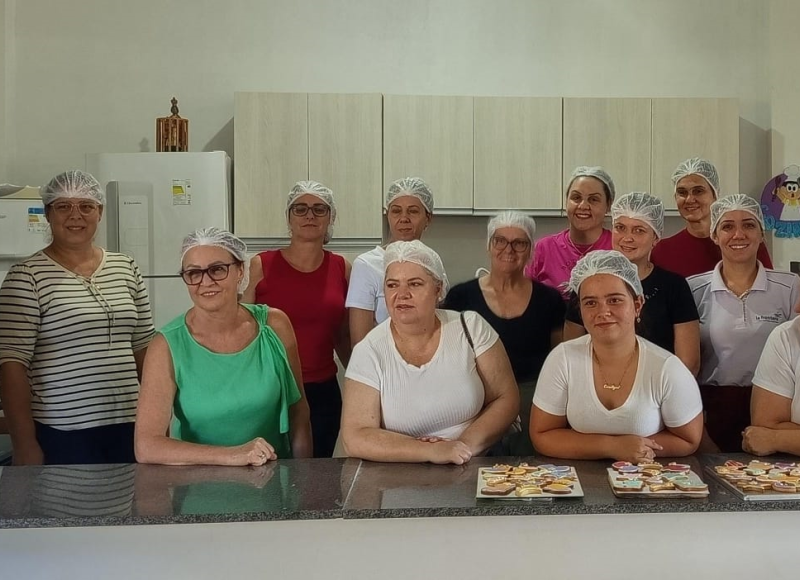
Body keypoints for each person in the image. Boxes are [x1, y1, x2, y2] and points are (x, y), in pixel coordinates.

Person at [0, 170, 155, 465]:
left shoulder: (125, 267)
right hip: (64, 433)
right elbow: (12, 365)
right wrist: (24, 444)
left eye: (86, 206)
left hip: (133, 426)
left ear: (100, 212)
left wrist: (159, 418)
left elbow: (144, 348)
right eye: (63, 206)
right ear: (48, 214)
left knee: (133, 496)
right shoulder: (26, 276)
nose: (76, 215)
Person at [135, 228, 312, 465]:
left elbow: (299, 413)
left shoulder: (274, 325)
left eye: (217, 269)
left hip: (273, 479)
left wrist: (303, 477)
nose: (206, 281)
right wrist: (236, 455)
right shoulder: (166, 345)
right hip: (197, 484)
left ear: (240, 271)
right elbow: (147, 446)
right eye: (194, 273)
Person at [341, 240, 519, 464]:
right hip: (399, 475)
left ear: (438, 289)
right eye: (392, 285)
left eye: (414, 284)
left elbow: (506, 398)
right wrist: (431, 451)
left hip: (477, 464)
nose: (402, 294)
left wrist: (461, 448)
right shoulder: (369, 351)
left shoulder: (470, 328)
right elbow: (356, 436)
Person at [531, 251, 703, 463]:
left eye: (614, 300)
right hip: (575, 479)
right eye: (590, 303)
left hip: (647, 478)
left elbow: (688, 439)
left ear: (637, 305)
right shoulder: (563, 359)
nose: (603, 312)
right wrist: (612, 447)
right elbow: (542, 434)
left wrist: (637, 450)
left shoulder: (666, 368)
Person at [242, 181, 350, 458]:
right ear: (289, 218)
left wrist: (361, 381)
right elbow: (242, 329)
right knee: (267, 472)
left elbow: (341, 334)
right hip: (271, 389)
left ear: (331, 217)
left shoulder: (341, 267)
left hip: (323, 393)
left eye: (319, 209)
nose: (309, 216)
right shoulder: (261, 265)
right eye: (300, 209)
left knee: (319, 476)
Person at [442, 211, 564, 452]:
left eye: (519, 243)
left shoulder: (549, 299)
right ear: (489, 246)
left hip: (534, 403)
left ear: (530, 251)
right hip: (477, 401)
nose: (509, 249)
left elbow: (558, 358)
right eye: (500, 241)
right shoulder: (460, 297)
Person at [689, 194, 799, 452]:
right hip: (713, 408)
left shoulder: (789, 286)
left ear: (761, 234)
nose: (738, 234)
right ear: (714, 235)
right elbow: (686, 362)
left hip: (778, 408)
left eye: (749, 225)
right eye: (727, 226)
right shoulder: (693, 289)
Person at [564, 192, 700, 375]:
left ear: (656, 238)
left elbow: (688, 362)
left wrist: (656, 389)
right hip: (597, 385)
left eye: (639, 230)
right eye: (620, 228)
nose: (627, 238)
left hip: (660, 387)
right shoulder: (588, 282)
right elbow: (571, 355)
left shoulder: (674, 286)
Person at [347, 177, 434, 347]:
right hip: (382, 361)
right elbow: (360, 343)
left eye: (413, 211)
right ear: (388, 216)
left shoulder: (432, 263)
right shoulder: (366, 265)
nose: (404, 218)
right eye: (396, 211)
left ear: (428, 218)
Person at [652, 158, 772, 277]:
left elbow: (768, 284)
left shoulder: (743, 244)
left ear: (715, 194)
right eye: (682, 192)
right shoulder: (662, 251)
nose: (689, 199)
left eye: (698, 191)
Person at [524, 166, 615, 299]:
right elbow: (523, 298)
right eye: (576, 197)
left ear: (608, 205)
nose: (583, 206)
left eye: (593, 199)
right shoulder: (543, 248)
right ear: (566, 201)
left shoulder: (618, 247)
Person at [743, 297, 800, 456]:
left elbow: (767, 437)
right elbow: (765, 427)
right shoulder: (787, 335)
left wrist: (776, 439)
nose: (797, 308)